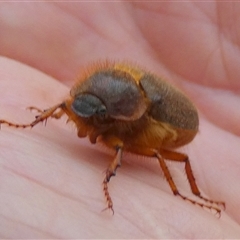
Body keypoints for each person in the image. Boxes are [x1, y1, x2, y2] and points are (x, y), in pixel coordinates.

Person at [0, 2, 240, 238]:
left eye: (100, 116)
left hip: (177, 124)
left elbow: (124, 147)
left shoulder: (131, 117)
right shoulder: (86, 99)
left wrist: (106, 181)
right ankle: (31, 123)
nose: (87, 126)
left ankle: (185, 192)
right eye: (85, 108)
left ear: (121, 115)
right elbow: (66, 104)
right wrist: (27, 125)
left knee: (154, 153)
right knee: (68, 106)